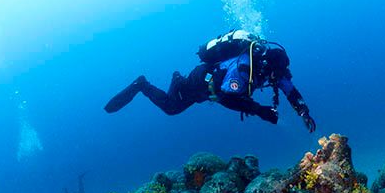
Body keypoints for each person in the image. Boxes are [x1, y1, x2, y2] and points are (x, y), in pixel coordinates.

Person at [104, 31, 316, 132]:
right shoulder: (244, 67)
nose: (278, 80)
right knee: (171, 108)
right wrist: (261, 111)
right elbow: (225, 97)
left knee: (178, 105)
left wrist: (304, 112)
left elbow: (291, 91)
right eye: (277, 75)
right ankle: (145, 84)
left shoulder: (273, 70)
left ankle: (176, 80)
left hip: (210, 88)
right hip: (201, 81)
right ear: (267, 66)